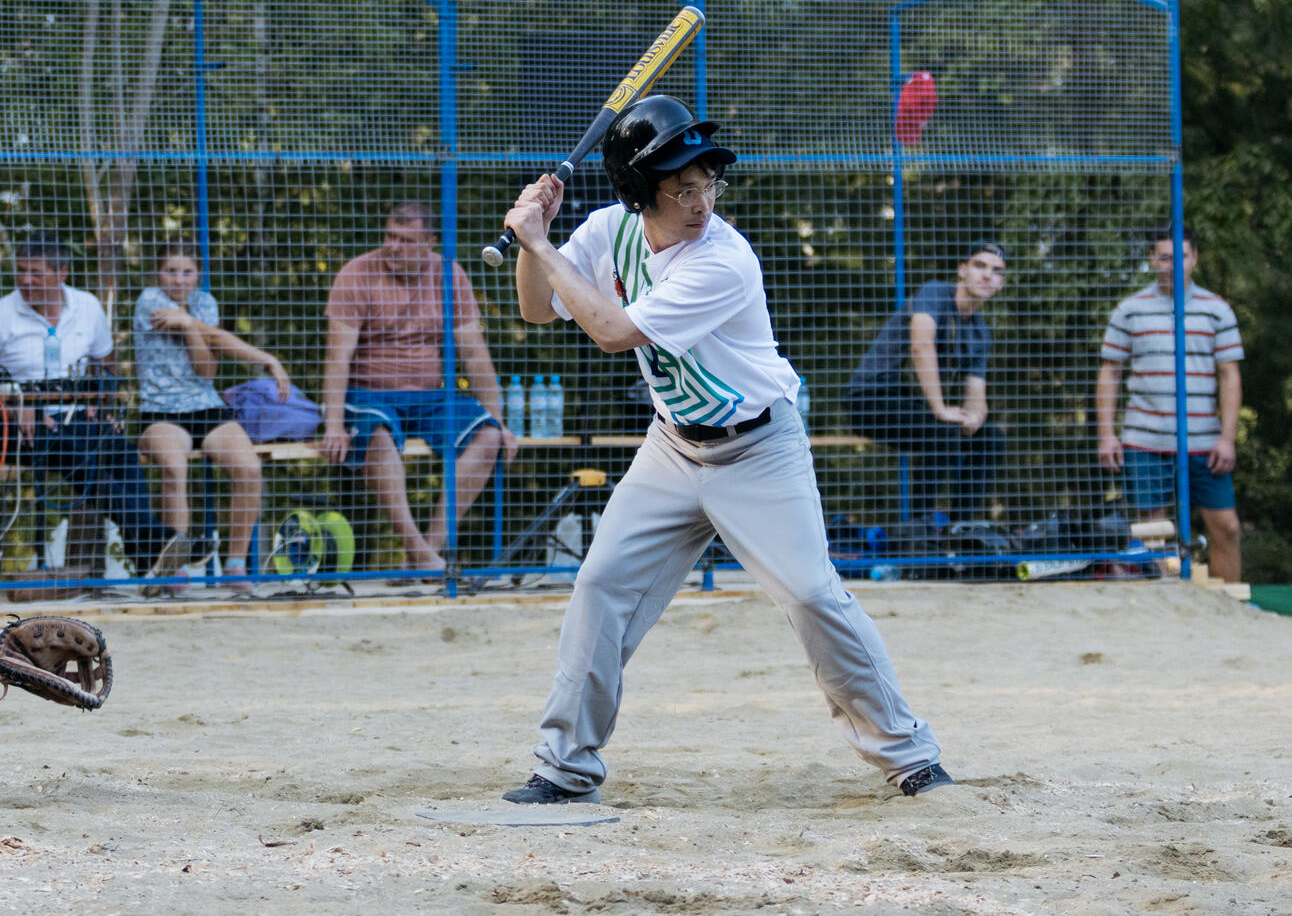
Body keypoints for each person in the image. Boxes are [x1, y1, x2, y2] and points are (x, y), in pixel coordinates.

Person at [497, 94, 948, 804]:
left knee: (811, 595)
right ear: (639, 191)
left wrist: (542, 246)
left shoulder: (723, 259)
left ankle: (909, 754)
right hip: (672, 447)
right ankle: (564, 766)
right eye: (682, 187)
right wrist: (535, 241)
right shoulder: (609, 229)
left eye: (708, 183)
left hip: (758, 447)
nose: (701, 201)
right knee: (600, 586)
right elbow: (535, 308)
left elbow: (611, 332)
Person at [0, 231, 174, 584]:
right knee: (78, 454)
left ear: (61, 272)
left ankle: (146, 558)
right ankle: (156, 541)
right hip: (15, 428)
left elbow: (108, 369)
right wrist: (13, 404)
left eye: (36, 272)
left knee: (122, 453)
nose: (26, 280)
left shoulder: (87, 307)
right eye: (21, 270)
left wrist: (100, 399)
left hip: (78, 420)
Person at [318, 202, 517, 574]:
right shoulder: (357, 273)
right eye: (389, 236)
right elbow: (336, 357)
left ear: (429, 242)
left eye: (405, 240)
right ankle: (420, 554)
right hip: (368, 395)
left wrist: (498, 420)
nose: (392, 246)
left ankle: (426, 552)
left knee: (489, 436)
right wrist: (332, 425)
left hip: (430, 398)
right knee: (377, 436)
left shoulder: (450, 275)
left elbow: (475, 354)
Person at [132, 241, 293, 596]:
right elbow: (214, 337)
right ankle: (175, 567)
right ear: (158, 273)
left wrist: (190, 324)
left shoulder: (205, 303)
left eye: (187, 272)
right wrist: (264, 357)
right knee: (174, 466)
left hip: (205, 405)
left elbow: (206, 371)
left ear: (198, 274)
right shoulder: (150, 301)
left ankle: (235, 565)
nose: (179, 279)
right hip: (160, 410)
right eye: (170, 271)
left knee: (249, 468)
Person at [1097, 225, 1244, 581]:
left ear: (1195, 258)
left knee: (1226, 527)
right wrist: (1106, 435)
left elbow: (1229, 375)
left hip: (1205, 442)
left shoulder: (1217, 310)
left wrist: (1227, 438)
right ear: (1152, 259)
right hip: (1145, 440)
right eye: (1164, 258)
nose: (1173, 265)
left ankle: (1230, 603)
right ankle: (1169, 599)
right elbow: (1110, 373)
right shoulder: (1130, 310)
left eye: (1181, 257)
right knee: (1153, 532)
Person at [845, 240, 1009, 522]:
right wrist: (941, 409)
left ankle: (961, 529)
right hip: (871, 399)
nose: (986, 275)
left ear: (1001, 283)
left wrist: (974, 418)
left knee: (991, 438)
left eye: (996, 271)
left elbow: (976, 395)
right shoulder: (935, 293)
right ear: (962, 270)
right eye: (980, 266)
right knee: (943, 431)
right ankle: (919, 528)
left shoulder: (980, 332)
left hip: (917, 408)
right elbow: (921, 346)